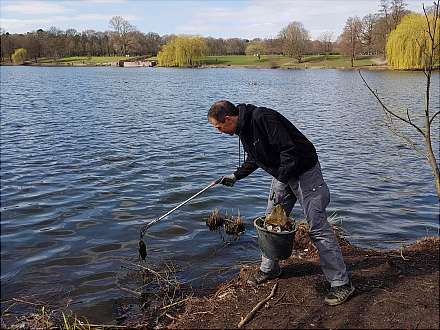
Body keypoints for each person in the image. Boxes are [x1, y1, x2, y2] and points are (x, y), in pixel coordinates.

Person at [207, 100, 355, 306]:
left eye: (219, 128)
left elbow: (289, 151)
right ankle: (270, 268)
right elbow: (255, 157)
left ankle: (341, 284)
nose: (220, 132)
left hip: (304, 171)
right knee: (270, 223)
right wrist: (236, 176)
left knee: (317, 227)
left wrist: (283, 180)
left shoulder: (263, 118)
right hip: (283, 172)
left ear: (228, 119)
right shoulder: (243, 128)